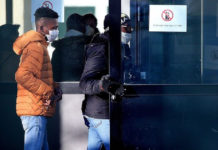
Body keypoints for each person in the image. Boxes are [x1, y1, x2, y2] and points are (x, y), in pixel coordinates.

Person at [13, 7, 62, 150]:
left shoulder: (40, 46)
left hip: (36, 110)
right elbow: (22, 75)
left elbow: (39, 76)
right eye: (54, 28)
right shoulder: (36, 47)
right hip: (35, 111)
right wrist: (48, 91)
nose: (56, 31)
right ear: (41, 27)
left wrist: (54, 88)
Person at [79, 14, 124, 150]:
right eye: (126, 29)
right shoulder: (101, 47)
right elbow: (85, 83)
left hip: (102, 111)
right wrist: (103, 85)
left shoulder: (119, 46)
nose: (130, 32)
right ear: (114, 29)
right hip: (102, 112)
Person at [51, 13, 90, 81]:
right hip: (86, 90)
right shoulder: (91, 48)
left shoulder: (58, 50)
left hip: (63, 90)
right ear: (84, 27)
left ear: (67, 28)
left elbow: (53, 76)